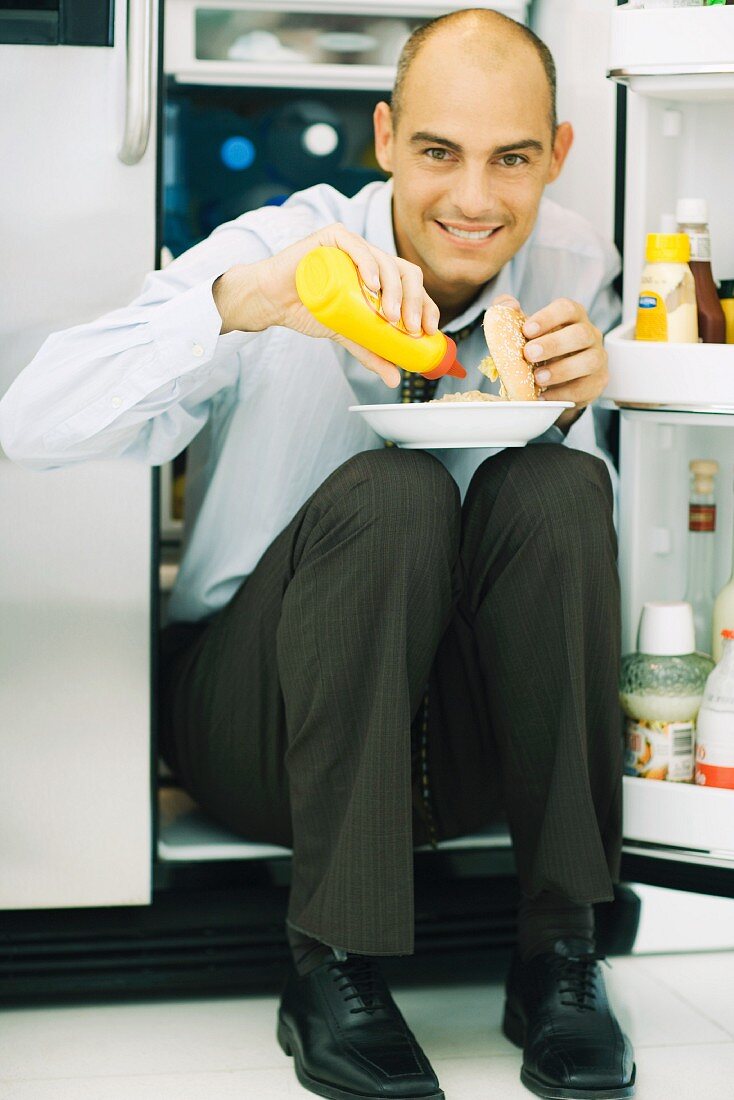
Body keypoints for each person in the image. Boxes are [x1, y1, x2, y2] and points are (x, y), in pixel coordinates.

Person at [0, 8, 636, 1100]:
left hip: (464, 735)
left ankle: (560, 952)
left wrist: (585, 412)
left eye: (511, 160)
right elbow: (30, 422)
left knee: (558, 478)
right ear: (383, 138)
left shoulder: (578, 261)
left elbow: (577, 565)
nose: (474, 200)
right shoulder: (281, 245)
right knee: (391, 494)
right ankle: (332, 964)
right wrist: (237, 306)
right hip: (255, 722)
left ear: (556, 156)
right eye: (437, 152)